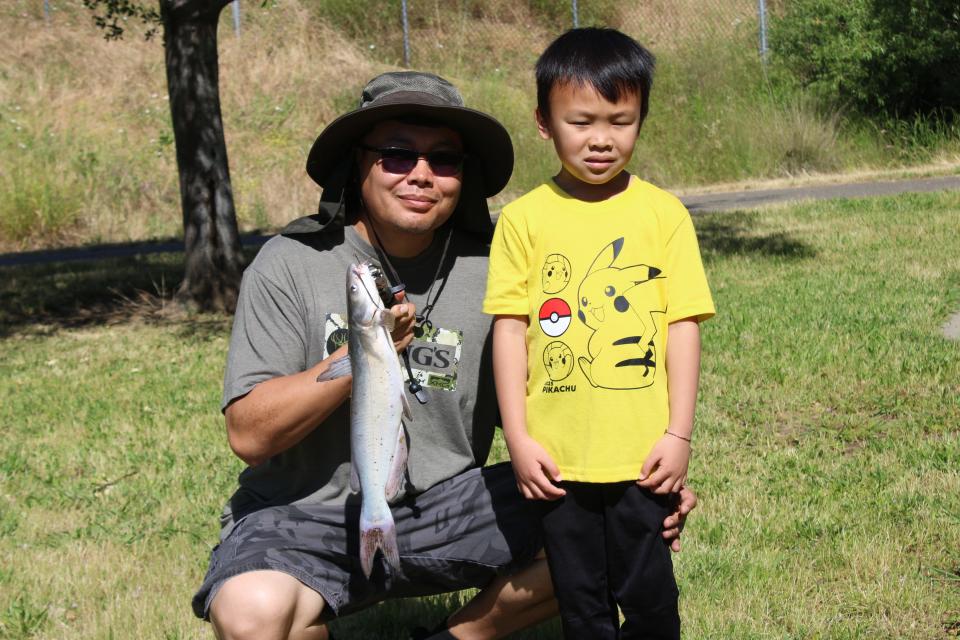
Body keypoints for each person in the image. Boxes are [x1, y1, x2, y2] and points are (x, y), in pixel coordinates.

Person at [191, 70, 698, 640]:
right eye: (396, 154)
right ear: (357, 164)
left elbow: (570, 393)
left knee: (617, 529)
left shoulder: (500, 266)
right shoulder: (291, 261)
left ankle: (460, 636)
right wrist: (364, 357)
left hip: (452, 506)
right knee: (253, 615)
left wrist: (641, 483)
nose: (422, 175)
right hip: (303, 515)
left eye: (445, 160)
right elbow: (249, 435)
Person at [484, 28, 716, 640]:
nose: (601, 139)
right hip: (557, 459)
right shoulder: (523, 220)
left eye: (621, 121)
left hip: (643, 456)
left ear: (641, 119)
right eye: (581, 120)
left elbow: (682, 326)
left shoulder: (663, 214)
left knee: (650, 597)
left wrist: (678, 434)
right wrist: (519, 437)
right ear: (543, 122)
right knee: (580, 602)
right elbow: (510, 331)